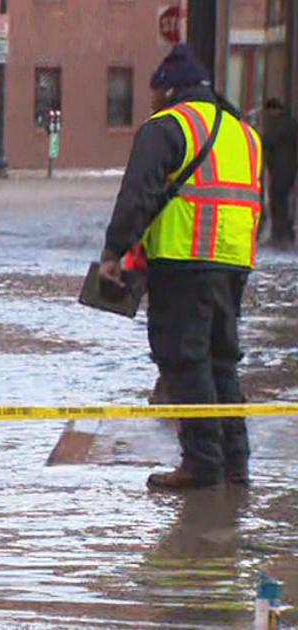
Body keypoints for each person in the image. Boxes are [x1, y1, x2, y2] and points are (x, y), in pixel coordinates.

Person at [98, 44, 261, 490]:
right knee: (222, 360)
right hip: (233, 260)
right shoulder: (244, 133)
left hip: (185, 259)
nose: (151, 100)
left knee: (184, 359)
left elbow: (138, 194)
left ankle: (203, 460)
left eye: (155, 91)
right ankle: (234, 460)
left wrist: (114, 253)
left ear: (170, 88)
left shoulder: (168, 127)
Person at [261, 98, 298, 246]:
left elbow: (268, 141)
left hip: (281, 168)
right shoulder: (290, 123)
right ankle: (285, 234)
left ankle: (280, 234)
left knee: (277, 201)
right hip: (287, 168)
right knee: (282, 201)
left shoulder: (279, 124)